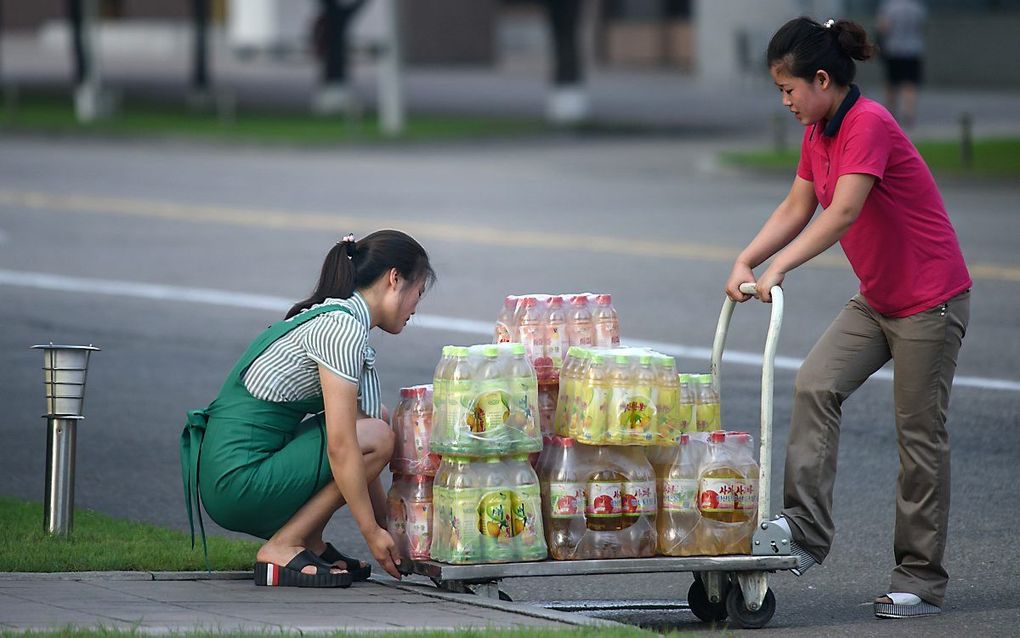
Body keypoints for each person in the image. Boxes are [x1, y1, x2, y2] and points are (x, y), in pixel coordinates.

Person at [725, 17, 970, 619]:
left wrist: (778, 268)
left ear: (822, 79)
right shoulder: (819, 129)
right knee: (815, 383)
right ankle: (804, 533)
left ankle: (920, 580)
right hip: (880, 299)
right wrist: (746, 258)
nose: (784, 101)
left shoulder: (868, 125)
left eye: (788, 89)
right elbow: (798, 204)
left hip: (929, 301)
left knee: (919, 438)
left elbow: (842, 214)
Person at [180, 230, 436, 587]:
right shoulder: (341, 329)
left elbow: (362, 446)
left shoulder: (338, 317)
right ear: (395, 279)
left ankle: (308, 540)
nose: (415, 309)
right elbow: (343, 446)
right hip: (236, 481)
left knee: (372, 421)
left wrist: (391, 531)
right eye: (418, 294)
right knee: (373, 432)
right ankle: (283, 546)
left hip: (236, 473)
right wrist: (371, 533)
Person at [876, 0, 927, 127]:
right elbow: (921, 25)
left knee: (892, 84)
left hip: (893, 50)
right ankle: (908, 115)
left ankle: (890, 114)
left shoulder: (889, 6)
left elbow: (883, 27)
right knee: (910, 84)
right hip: (913, 50)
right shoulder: (917, 6)